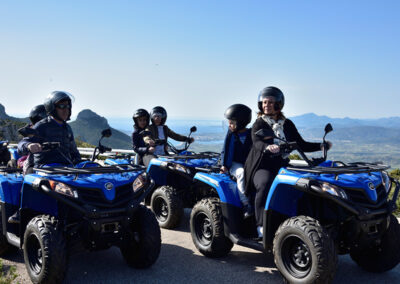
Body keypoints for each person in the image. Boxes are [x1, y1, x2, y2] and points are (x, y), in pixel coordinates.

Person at [244, 86, 332, 239]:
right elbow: (257, 142)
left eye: (270, 102)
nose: (266, 105)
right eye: (264, 102)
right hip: (261, 166)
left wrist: (320, 146)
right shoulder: (259, 124)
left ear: (279, 104)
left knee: (303, 185)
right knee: (265, 185)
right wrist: (267, 146)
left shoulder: (287, 124)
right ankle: (260, 226)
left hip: (281, 165)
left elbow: (300, 144)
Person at [18, 91, 81, 167]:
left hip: (66, 168)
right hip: (45, 168)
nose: (66, 110)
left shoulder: (67, 128)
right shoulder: (42, 125)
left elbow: (74, 151)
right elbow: (22, 144)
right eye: (61, 106)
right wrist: (29, 145)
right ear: (52, 107)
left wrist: (79, 162)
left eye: (67, 106)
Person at [220, 104, 253, 218]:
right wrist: (224, 165)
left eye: (232, 122)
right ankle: (246, 204)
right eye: (229, 122)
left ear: (241, 122)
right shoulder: (231, 134)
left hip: (249, 163)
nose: (229, 125)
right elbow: (226, 149)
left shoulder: (251, 134)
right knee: (241, 173)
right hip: (235, 164)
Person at [17, 104, 48, 171]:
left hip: (62, 164)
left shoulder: (60, 129)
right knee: (31, 173)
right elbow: (22, 144)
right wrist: (29, 145)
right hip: (37, 164)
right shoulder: (33, 130)